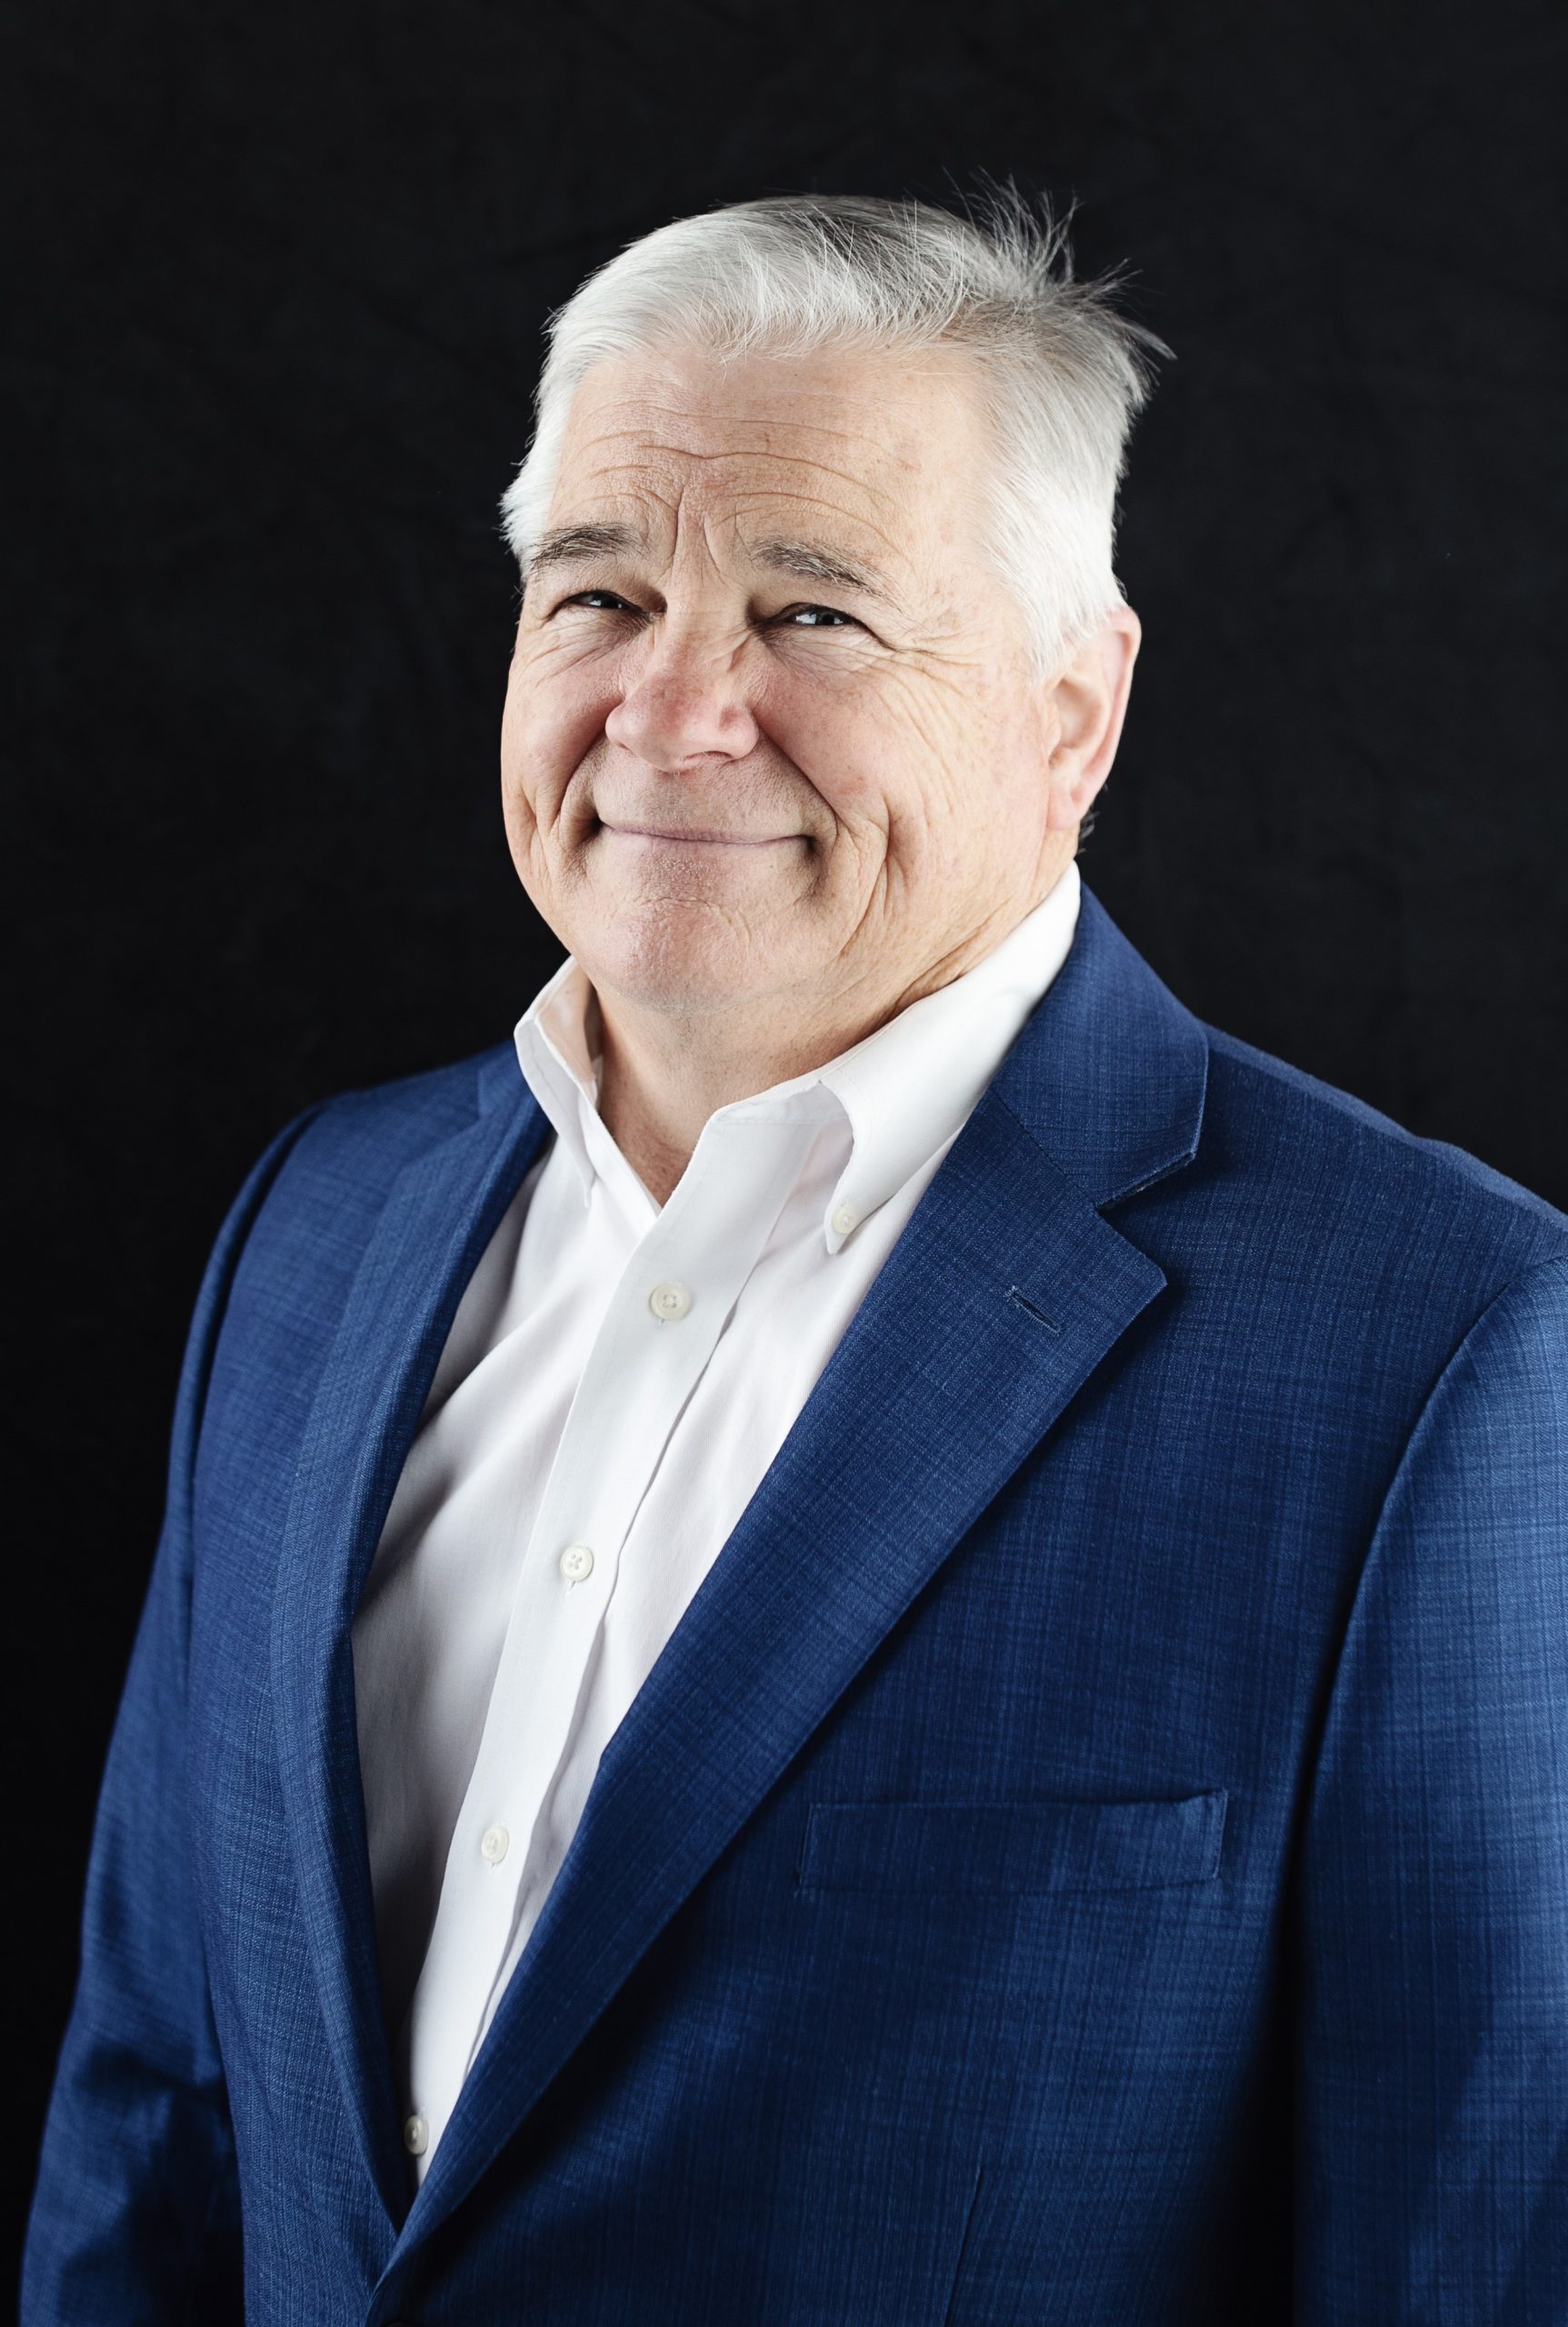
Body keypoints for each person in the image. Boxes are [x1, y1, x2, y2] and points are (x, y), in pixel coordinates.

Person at [24, 189, 1567, 2325]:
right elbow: (155, 2115)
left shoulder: (1436, 1349)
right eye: (599, 590)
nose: (670, 709)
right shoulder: (319, 1224)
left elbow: (1463, 2251)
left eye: (811, 612)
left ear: (1069, 713)